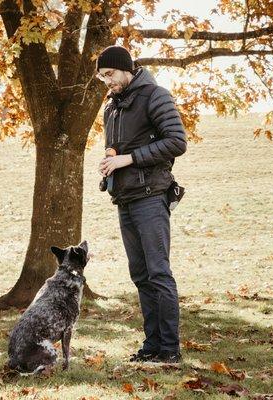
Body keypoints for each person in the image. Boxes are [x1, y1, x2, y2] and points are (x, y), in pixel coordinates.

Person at [96, 45, 187, 364]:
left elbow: (177, 142)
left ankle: (169, 350)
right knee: (141, 275)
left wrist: (129, 158)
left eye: (109, 74)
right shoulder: (112, 108)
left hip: (151, 196)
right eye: (101, 77)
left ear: (126, 68)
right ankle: (152, 346)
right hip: (125, 198)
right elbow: (117, 151)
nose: (107, 81)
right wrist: (109, 164)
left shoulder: (155, 95)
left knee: (159, 272)